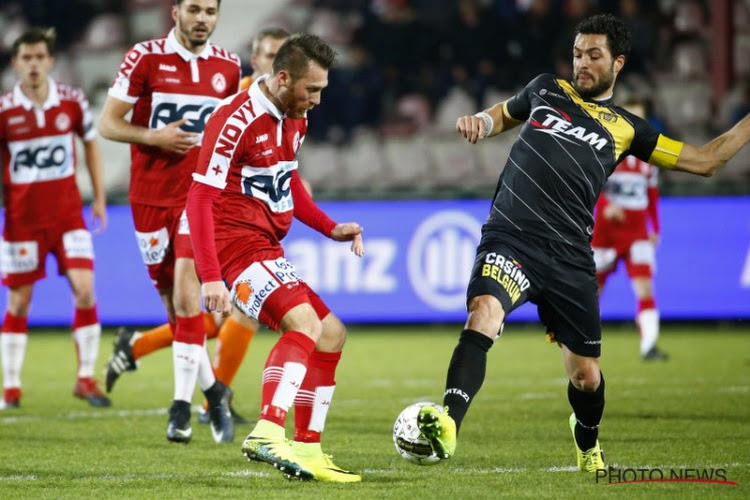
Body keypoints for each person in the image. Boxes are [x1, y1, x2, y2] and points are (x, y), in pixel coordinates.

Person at [416, 13, 750, 473]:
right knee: (483, 315)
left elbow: (707, 160)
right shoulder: (546, 89)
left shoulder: (629, 129)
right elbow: (503, 114)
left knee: (586, 377)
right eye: (577, 54)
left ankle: (587, 440)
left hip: (570, 257)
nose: (582, 64)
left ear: (618, 63)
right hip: (511, 237)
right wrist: (479, 121)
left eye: (594, 56)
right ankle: (448, 423)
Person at [187, 33, 364, 482]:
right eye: (312, 89)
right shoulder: (235, 118)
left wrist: (329, 227)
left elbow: (287, 185)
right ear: (282, 78)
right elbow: (199, 199)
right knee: (303, 324)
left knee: (331, 334)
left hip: (266, 247)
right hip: (235, 249)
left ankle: (307, 448)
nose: (318, 100)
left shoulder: (295, 117)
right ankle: (268, 430)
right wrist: (210, 277)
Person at [98, 0, 238, 443]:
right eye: (194, 9)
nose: (203, 19)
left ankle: (179, 411)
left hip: (198, 199)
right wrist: (153, 136)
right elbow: (107, 123)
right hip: (148, 198)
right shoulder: (145, 57)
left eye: (211, 12)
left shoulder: (229, 68)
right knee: (176, 310)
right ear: (175, 11)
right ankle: (214, 392)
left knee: (185, 293)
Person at [0, 28, 109, 409]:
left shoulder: (72, 102)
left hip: (67, 218)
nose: (33, 64)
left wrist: (97, 197)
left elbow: (91, 144)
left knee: (85, 289)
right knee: (18, 303)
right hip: (22, 222)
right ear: (16, 63)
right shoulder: (4, 111)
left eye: (39, 57)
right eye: (25, 58)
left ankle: (85, 378)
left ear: (50, 60)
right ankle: (10, 388)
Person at [592, 98, 667, 361]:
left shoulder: (651, 158)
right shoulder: (605, 150)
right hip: (605, 234)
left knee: (645, 287)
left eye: (639, 118)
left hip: (637, 233)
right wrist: (606, 204)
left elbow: (653, 195)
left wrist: (655, 228)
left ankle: (649, 346)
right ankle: (582, 344)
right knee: (592, 292)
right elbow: (589, 187)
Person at [240, 27, 290, 92]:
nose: (279, 62)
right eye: (271, 56)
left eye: (284, 56)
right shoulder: (233, 93)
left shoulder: (300, 96)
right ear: (254, 61)